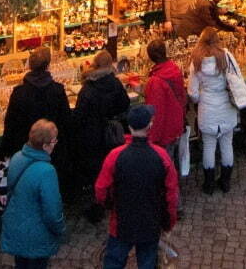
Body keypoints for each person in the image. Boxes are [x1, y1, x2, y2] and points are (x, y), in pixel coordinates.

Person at [94, 105, 178, 269]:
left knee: (114, 262)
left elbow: (101, 190)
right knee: (147, 262)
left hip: (121, 222)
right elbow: (171, 195)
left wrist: (110, 205)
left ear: (129, 126)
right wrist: (168, 222)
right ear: (150, 126)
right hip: (150, 222)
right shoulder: (161, 156)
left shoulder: (115, 156)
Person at [187, 26, 246, 194]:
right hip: (226, 106)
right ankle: (225, 182)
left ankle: (208, 184)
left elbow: (192, 92)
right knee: (227, 144)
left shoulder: (196, 60)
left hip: (207, 108)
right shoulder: (226, 56)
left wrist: (199, 98)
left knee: (208, 145)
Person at [0, 47, 72, 185]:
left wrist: (6, 151)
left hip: (25, 153)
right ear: (48, 66)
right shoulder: (57, 90)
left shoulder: (19, 93)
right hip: (51, 153)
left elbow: (10, 125)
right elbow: (66, 121)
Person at [0, 120, 65, 269]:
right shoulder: (47, 171)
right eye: (54, 141)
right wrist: (60, 229)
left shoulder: (17, 157)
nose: (55, 144)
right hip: (37, 236)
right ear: (45, 146)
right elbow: (52, 211)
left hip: (17, 229)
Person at [74, 50, 130, 213]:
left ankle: (98, 203)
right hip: (112, 133)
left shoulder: (88, 87)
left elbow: (80, 115)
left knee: (96, 170)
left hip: (93, 134)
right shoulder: (115, 83)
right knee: (111, 164)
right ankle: (112, 197)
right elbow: (125, 104)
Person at [141, 40, 187, 191]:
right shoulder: (174, 69)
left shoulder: (155, 81)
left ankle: (172, 204)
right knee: (172, 162)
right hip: (175, 124)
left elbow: (155, 112)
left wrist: (152, 137)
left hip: (164, 131)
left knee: (166, 170)